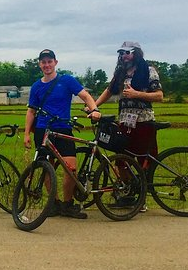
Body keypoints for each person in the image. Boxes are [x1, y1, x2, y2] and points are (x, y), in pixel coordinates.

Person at [23, 49, 100, 219]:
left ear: (55, 63)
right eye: (43, 62)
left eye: (49, 61)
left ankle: (67, 203)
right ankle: (54, 203)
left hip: (63, 128)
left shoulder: (66, 80)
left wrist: (94, 109)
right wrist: (27, 133)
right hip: (43, 130)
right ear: (39, 65)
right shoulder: (36, 86)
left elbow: (85, 96)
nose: (47, 65)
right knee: (45, 167)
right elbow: (31, 112)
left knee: (70, 168)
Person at [94, 41, 163, 163]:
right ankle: (127, 182)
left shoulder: (148, 70)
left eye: (127, 52)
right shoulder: (121, 73)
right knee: (122, 161)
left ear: (135, 53)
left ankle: (145, 182)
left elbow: (159, 96)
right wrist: (93, 106)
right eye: (121, 53)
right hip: (125, 123)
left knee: (145, 161)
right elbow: (109, 91)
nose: (123, 56)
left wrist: (137, 94)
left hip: (143, 122)